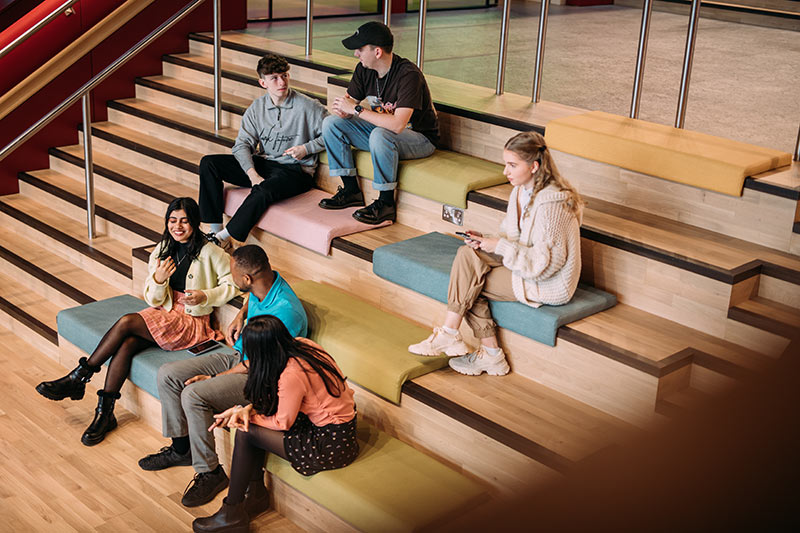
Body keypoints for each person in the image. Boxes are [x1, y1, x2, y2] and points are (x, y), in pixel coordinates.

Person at [35, 197, 239, 445]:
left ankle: (81, 376)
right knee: (127, 343)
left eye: (185, 221)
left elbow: (233, 285)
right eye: (172, 220)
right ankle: (104, 412)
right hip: (163, 312)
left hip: (189, 319)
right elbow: (151, 297)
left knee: (126, 322)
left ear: (195, 223)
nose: (178, 226)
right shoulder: (163, 247)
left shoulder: (211, 251)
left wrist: (206, 295)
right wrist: (159, 279)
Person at [137, 244, 308, 508]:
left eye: (233, 273)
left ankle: (210, 472)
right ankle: (182, 448)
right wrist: (240, 315)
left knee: (194, 394)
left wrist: (216, 378)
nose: (231, 277)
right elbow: (253, 298)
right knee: (168, 374)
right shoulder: (266, 283)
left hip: (260, 376)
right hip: (238, 356)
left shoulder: (286, 312)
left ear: (247, 279)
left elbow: (259, 364)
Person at [408, 132, 584, 376]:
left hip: (547, 282)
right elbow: (511, 236)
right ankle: (458, 339)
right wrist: (485, 239)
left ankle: (480, 349)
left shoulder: (553, 204)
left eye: (512, 165)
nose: (505, 172)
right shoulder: (520, 192)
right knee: (467, 255)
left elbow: (547, 265)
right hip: (525, 265)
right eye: (505, 164)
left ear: (534, 166)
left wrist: (498, 246)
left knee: (470, 281)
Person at [192, 315, 358, 533]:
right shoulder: (303, 345)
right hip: (340, 428)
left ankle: (232, 513)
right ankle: (255, 495)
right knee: (250, 425)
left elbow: (282, 422)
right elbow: (276, 402)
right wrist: (244, 410)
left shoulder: (291, 374)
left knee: (247, 432)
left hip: (330, 443)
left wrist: (243, 416)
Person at [199, 54, 328, 248]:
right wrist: (252, 174)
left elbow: (335, 133)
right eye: (274, 78)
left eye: (284, 75)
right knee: (209, 163)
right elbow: (242, 144)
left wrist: (306, 148)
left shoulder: (308, 106)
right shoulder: (256, 108)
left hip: (296, 171)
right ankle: (214, 230)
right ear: (263, 82)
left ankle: (222, 238)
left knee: (263, 189)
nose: (281, 81)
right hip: (266, 163)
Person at [318, 21, 439, 225]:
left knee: (380, 133)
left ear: (377, 52)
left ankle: (385, 204)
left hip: (420, 139)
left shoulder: (408, 75)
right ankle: (350, 191)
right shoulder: (364, 69)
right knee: (331, 124)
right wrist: (343, 111)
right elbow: (348, 105)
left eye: (360, 49)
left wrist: (356, 110)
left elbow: (398, 125)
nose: (356, 54)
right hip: (385, 134)